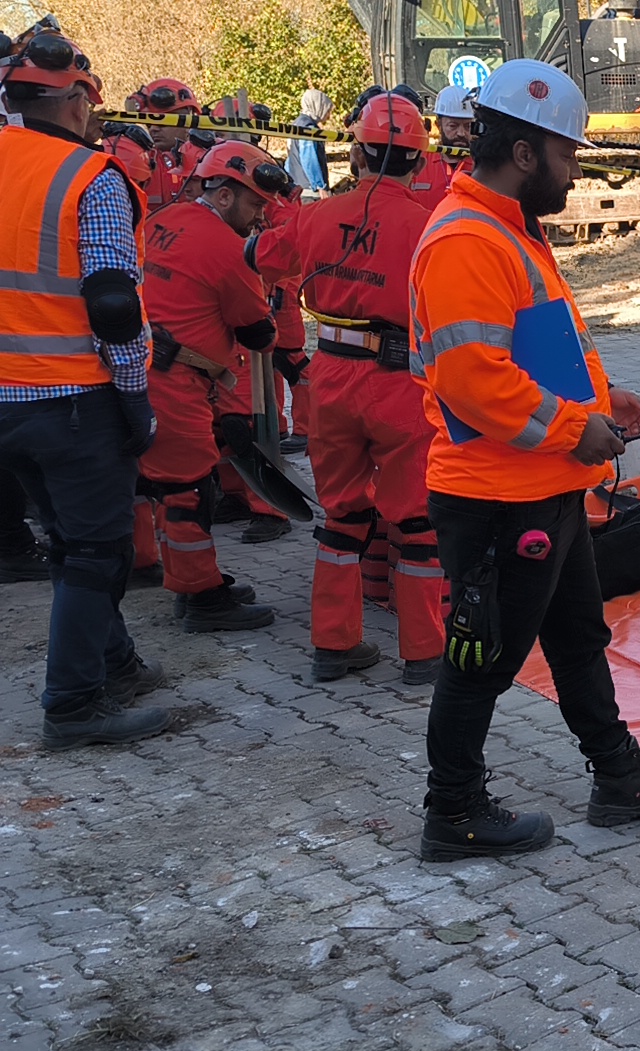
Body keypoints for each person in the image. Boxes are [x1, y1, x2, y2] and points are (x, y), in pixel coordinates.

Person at [410, 58, 640, 860]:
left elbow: (545, 351)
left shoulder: (509, 233)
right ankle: (454, 812)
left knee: (578, 637)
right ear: (528, 153)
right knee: (482, 661)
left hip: (543, 489)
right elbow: (474, 379)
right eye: (569, 156)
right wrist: (577, 431)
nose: (576, 174)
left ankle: (618, 777)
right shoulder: (468, 240)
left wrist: (604, 403)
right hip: (498, 497)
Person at [0, 32, 171, 748]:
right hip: (73, 397)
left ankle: (116, 661)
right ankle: (72, 705)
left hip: (6, 400)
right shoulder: (90, 177)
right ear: (72, 100)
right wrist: (134, 395)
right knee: (96, 552)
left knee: (68, 537)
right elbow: (110, 303)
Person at [252, 92, 446, 685]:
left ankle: (333, 645)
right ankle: (423, 654)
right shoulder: (428, 225)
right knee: (416, 522)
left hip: (330, 376)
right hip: (398, 383)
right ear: (418, 161)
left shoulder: (316, 216)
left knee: (341, 515)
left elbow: (260, 256)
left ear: (358, 151)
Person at [139, 140, 286, 632]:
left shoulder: (160, 221)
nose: (260, 216)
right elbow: (258, 332)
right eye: (254, 203)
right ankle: (202, 598)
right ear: (224, 195)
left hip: (139, 367)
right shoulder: (228, 248)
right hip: (173, 378)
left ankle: (190, 580)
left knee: (166, 486)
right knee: (187, 491)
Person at [132, 78, 200, 212]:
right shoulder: (140, 164)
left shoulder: (209, 162)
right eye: (149, 124)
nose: (153, 129)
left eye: (163, 121)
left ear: (188, 122)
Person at [410, 84, 475, 209]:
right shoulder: (417, 163)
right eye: (453, 126)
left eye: (468, 126)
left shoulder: (483, 166)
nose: (461, 133)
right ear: (438, 124)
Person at [287, 88, 333, 196]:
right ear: (318, 106)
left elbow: (290, 158)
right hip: (310, 191)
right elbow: (309, 158)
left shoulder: (296, 124)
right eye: (327, 111)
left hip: (297, 186)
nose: (329, 116)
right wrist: (320, 186)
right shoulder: (309, 128)